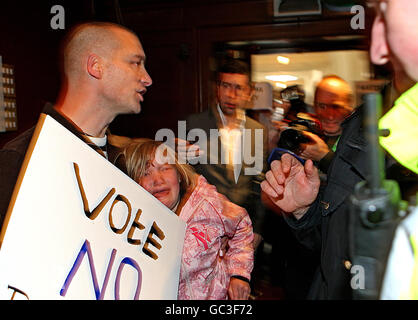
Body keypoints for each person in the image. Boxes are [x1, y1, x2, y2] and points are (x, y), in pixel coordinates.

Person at [260, 0, 418, 300]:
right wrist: (304, 210)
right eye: (375, 16)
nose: (376, 50)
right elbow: (335, 246)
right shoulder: (359, 124)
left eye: (387, 11)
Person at [0, 21, 152, 228]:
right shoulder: (24, 157)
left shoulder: (122, 162)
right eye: (135, 63)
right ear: (95, 66)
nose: (147, 79)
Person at [117, 138, 254, 300]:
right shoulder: (131, 222)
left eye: (164, 168)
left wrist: (239, 274)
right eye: (145, 173)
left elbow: (241, 224)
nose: (157, 180)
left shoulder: (207, 205)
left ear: (179, 174)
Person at [184, 59, 268, 250]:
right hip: (202, 231)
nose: (231, 94)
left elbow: (260, 185)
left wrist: (258, 232)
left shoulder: (258, 131)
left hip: (243, 232)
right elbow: (188, 178)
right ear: (216, 88)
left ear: (248, 92)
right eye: (226, 86)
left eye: (238, 88)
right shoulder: (195, 124)